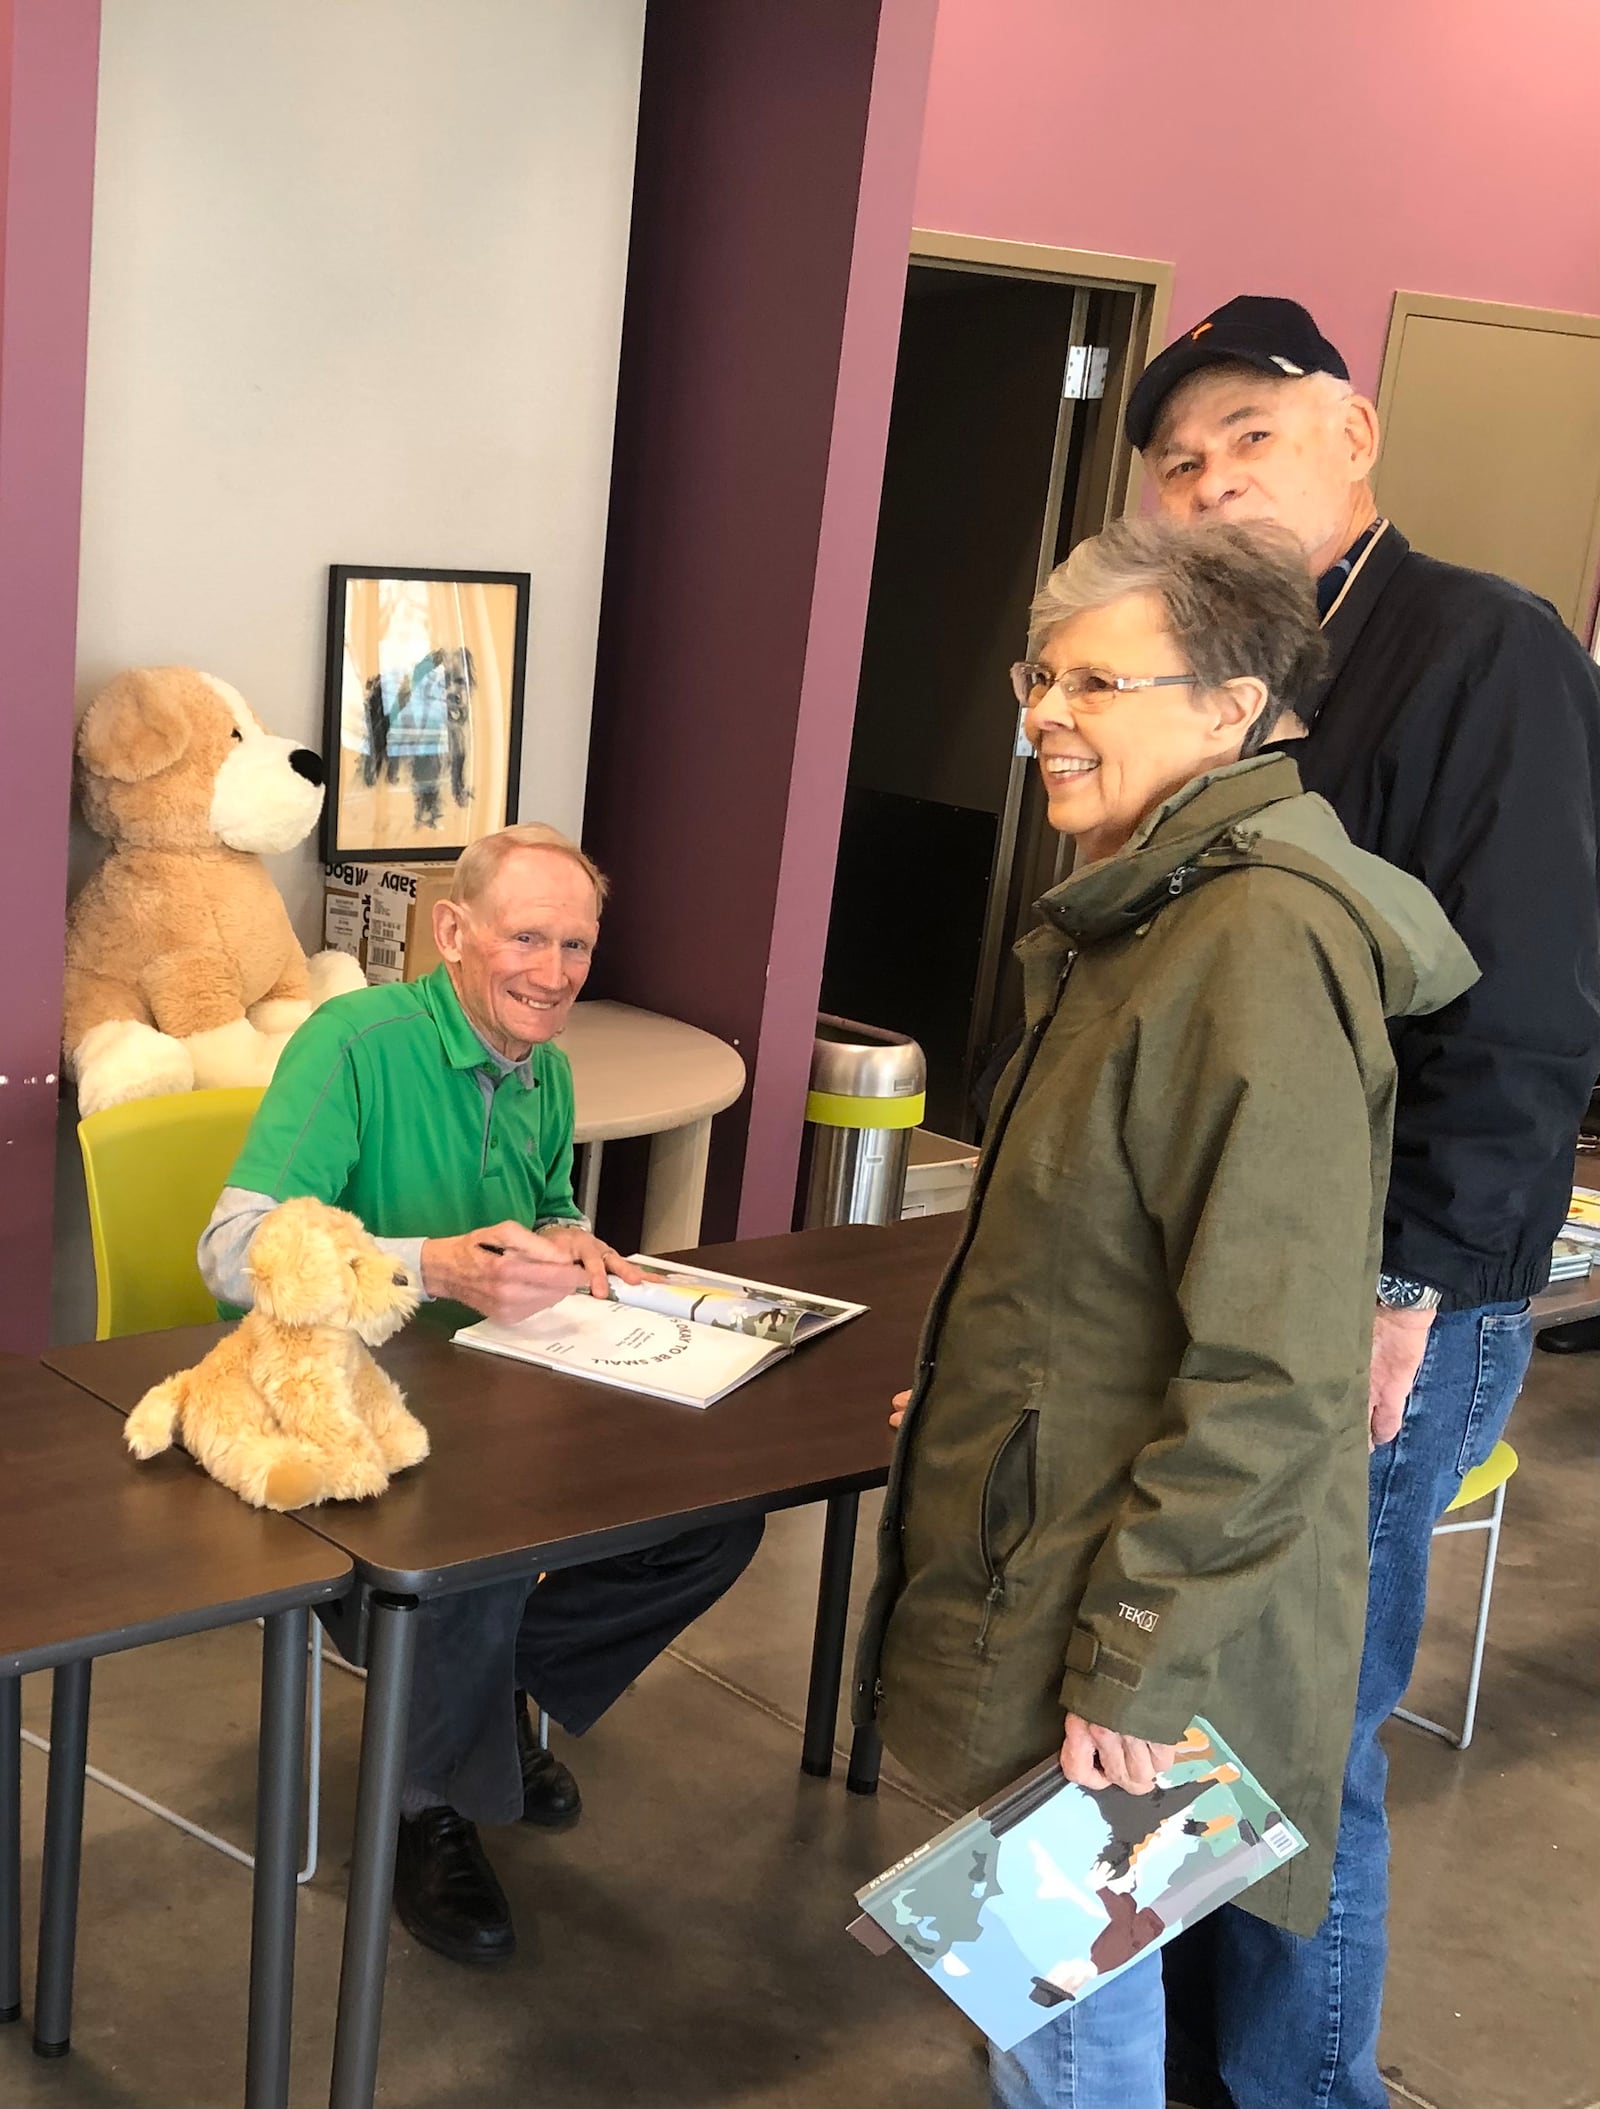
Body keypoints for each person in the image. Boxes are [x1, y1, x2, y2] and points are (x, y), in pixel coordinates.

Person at [851, 517, 1477, 2109]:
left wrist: (1140, 1653)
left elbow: (1276, 1365)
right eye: (1039, 675)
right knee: (1055, 1984)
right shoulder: (1151, 908)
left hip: (1109, 1588)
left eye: (1095, 680)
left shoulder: (1252, 937)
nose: (1045, 713)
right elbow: (1102, 1261)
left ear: (1230, 705)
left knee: (1066, 2007)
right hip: (1060, 1524)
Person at [1125, 295, 1600, 2108]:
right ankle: (1171, 2064)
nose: (1214, 473)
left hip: (1382, 1290)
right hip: (1233, 1269)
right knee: (1190, 1698)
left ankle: (1293, 2089)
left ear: (1356, 436)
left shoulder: (1483, 648)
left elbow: (1534, 1000)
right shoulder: (1223, 671)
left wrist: (1405, 1284)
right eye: (1180, 459)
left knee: (1301, 1728)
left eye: (1253, 431)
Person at [199, 822, 762, 1964]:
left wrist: (572, 1242)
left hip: (494, 1382)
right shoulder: (354, 1042)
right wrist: (431, 1265)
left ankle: (480, 1703)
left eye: (577, 946)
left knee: (715, 1514)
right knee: (474, 1543)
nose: (552, 973)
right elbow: (232, 1248)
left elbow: (548, 1201)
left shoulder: (544, 1066)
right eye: (526, 939)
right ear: (453, 933)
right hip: (329, 1394)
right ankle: (428, 1810)